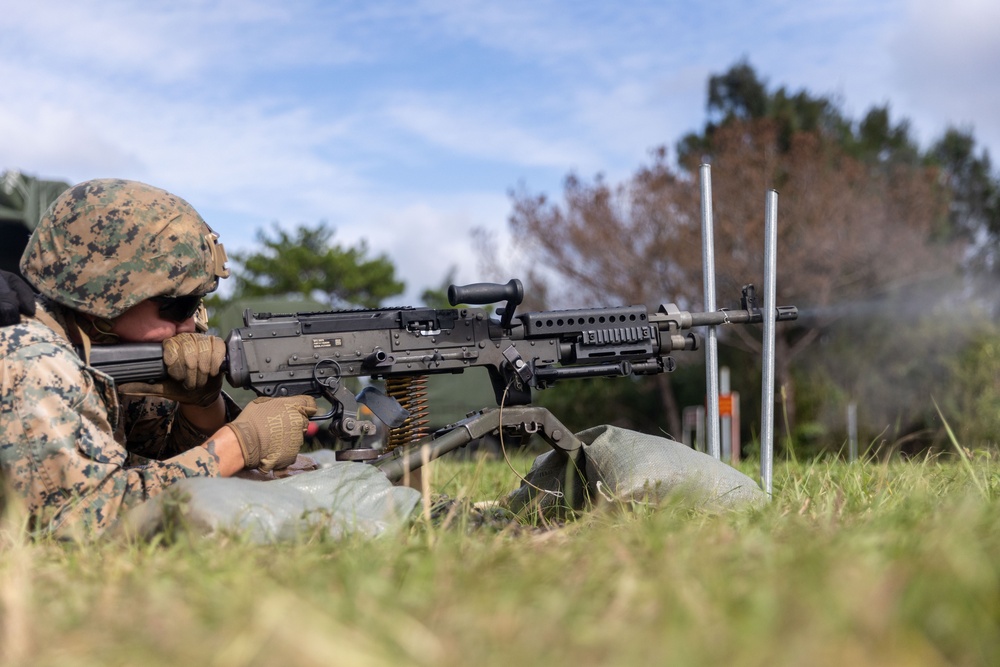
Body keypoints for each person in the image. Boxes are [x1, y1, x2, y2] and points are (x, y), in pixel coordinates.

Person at [0, 178, 317, 538]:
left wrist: (203, 402)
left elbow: (159, 459)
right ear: (103, 294)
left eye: (197, 304)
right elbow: (80, 520)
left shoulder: (97, 347)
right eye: (179, 306)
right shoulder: (31, 362)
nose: (191, 325)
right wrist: (239, 444)